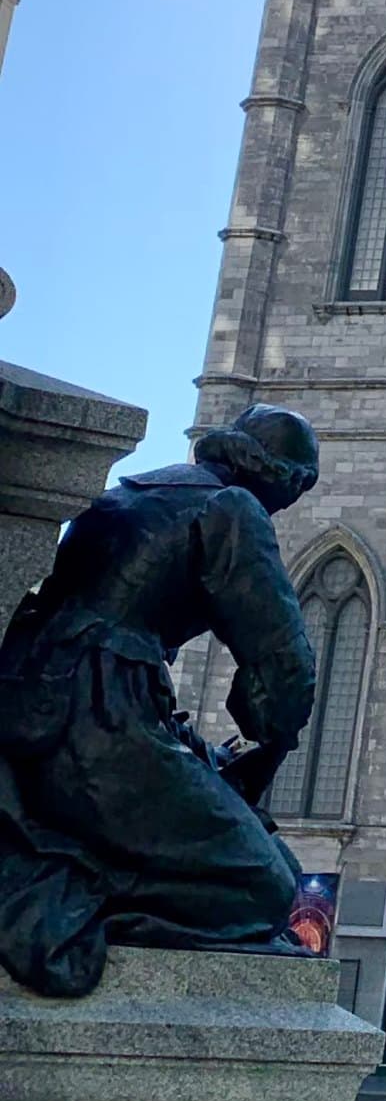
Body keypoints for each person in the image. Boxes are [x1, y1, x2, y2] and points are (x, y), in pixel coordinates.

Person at [0, 404, 322, 997]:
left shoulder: (127, 495)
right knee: (266, 886)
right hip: (100, 717)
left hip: (32, 707)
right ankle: (62, 891)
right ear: (282, 479)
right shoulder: (231, 509)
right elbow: (284, 664)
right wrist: (270, 735)